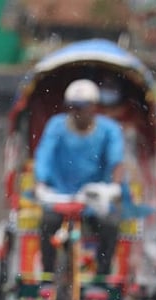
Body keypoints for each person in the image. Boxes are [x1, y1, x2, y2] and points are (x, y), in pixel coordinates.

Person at [33, 78, 125, 276]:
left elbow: (117, 161)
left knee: (110, 224)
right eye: (72, 106)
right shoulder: (56, 126)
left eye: (80, 107)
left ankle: (102, 273)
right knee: (48, 222)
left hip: (93, 197)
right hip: (60, 195)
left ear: (93, 107)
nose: (75, 111)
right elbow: (44, 155)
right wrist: (40, 183)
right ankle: (48, 272)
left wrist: (114, 187)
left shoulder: (109, 130)